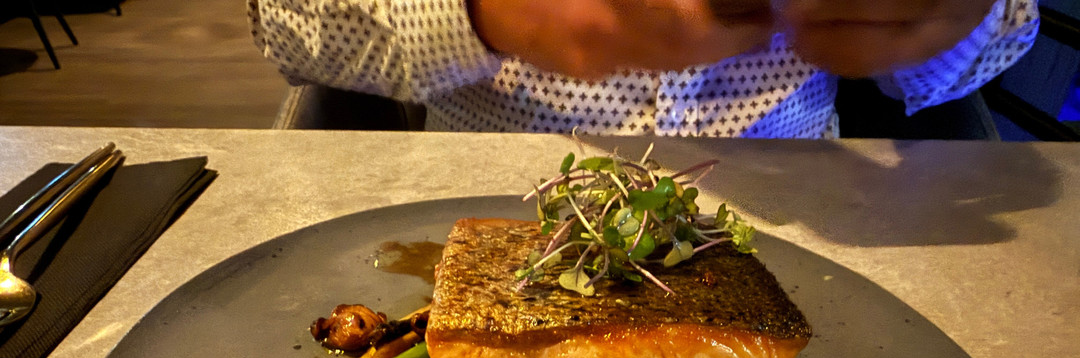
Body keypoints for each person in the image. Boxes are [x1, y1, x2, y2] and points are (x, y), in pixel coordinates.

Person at [247, 0, 1039, 137]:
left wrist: (942, 25)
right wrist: (486, 14)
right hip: (491, 208)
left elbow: (1005, 32)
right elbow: (283, 22)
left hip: (794, 220)